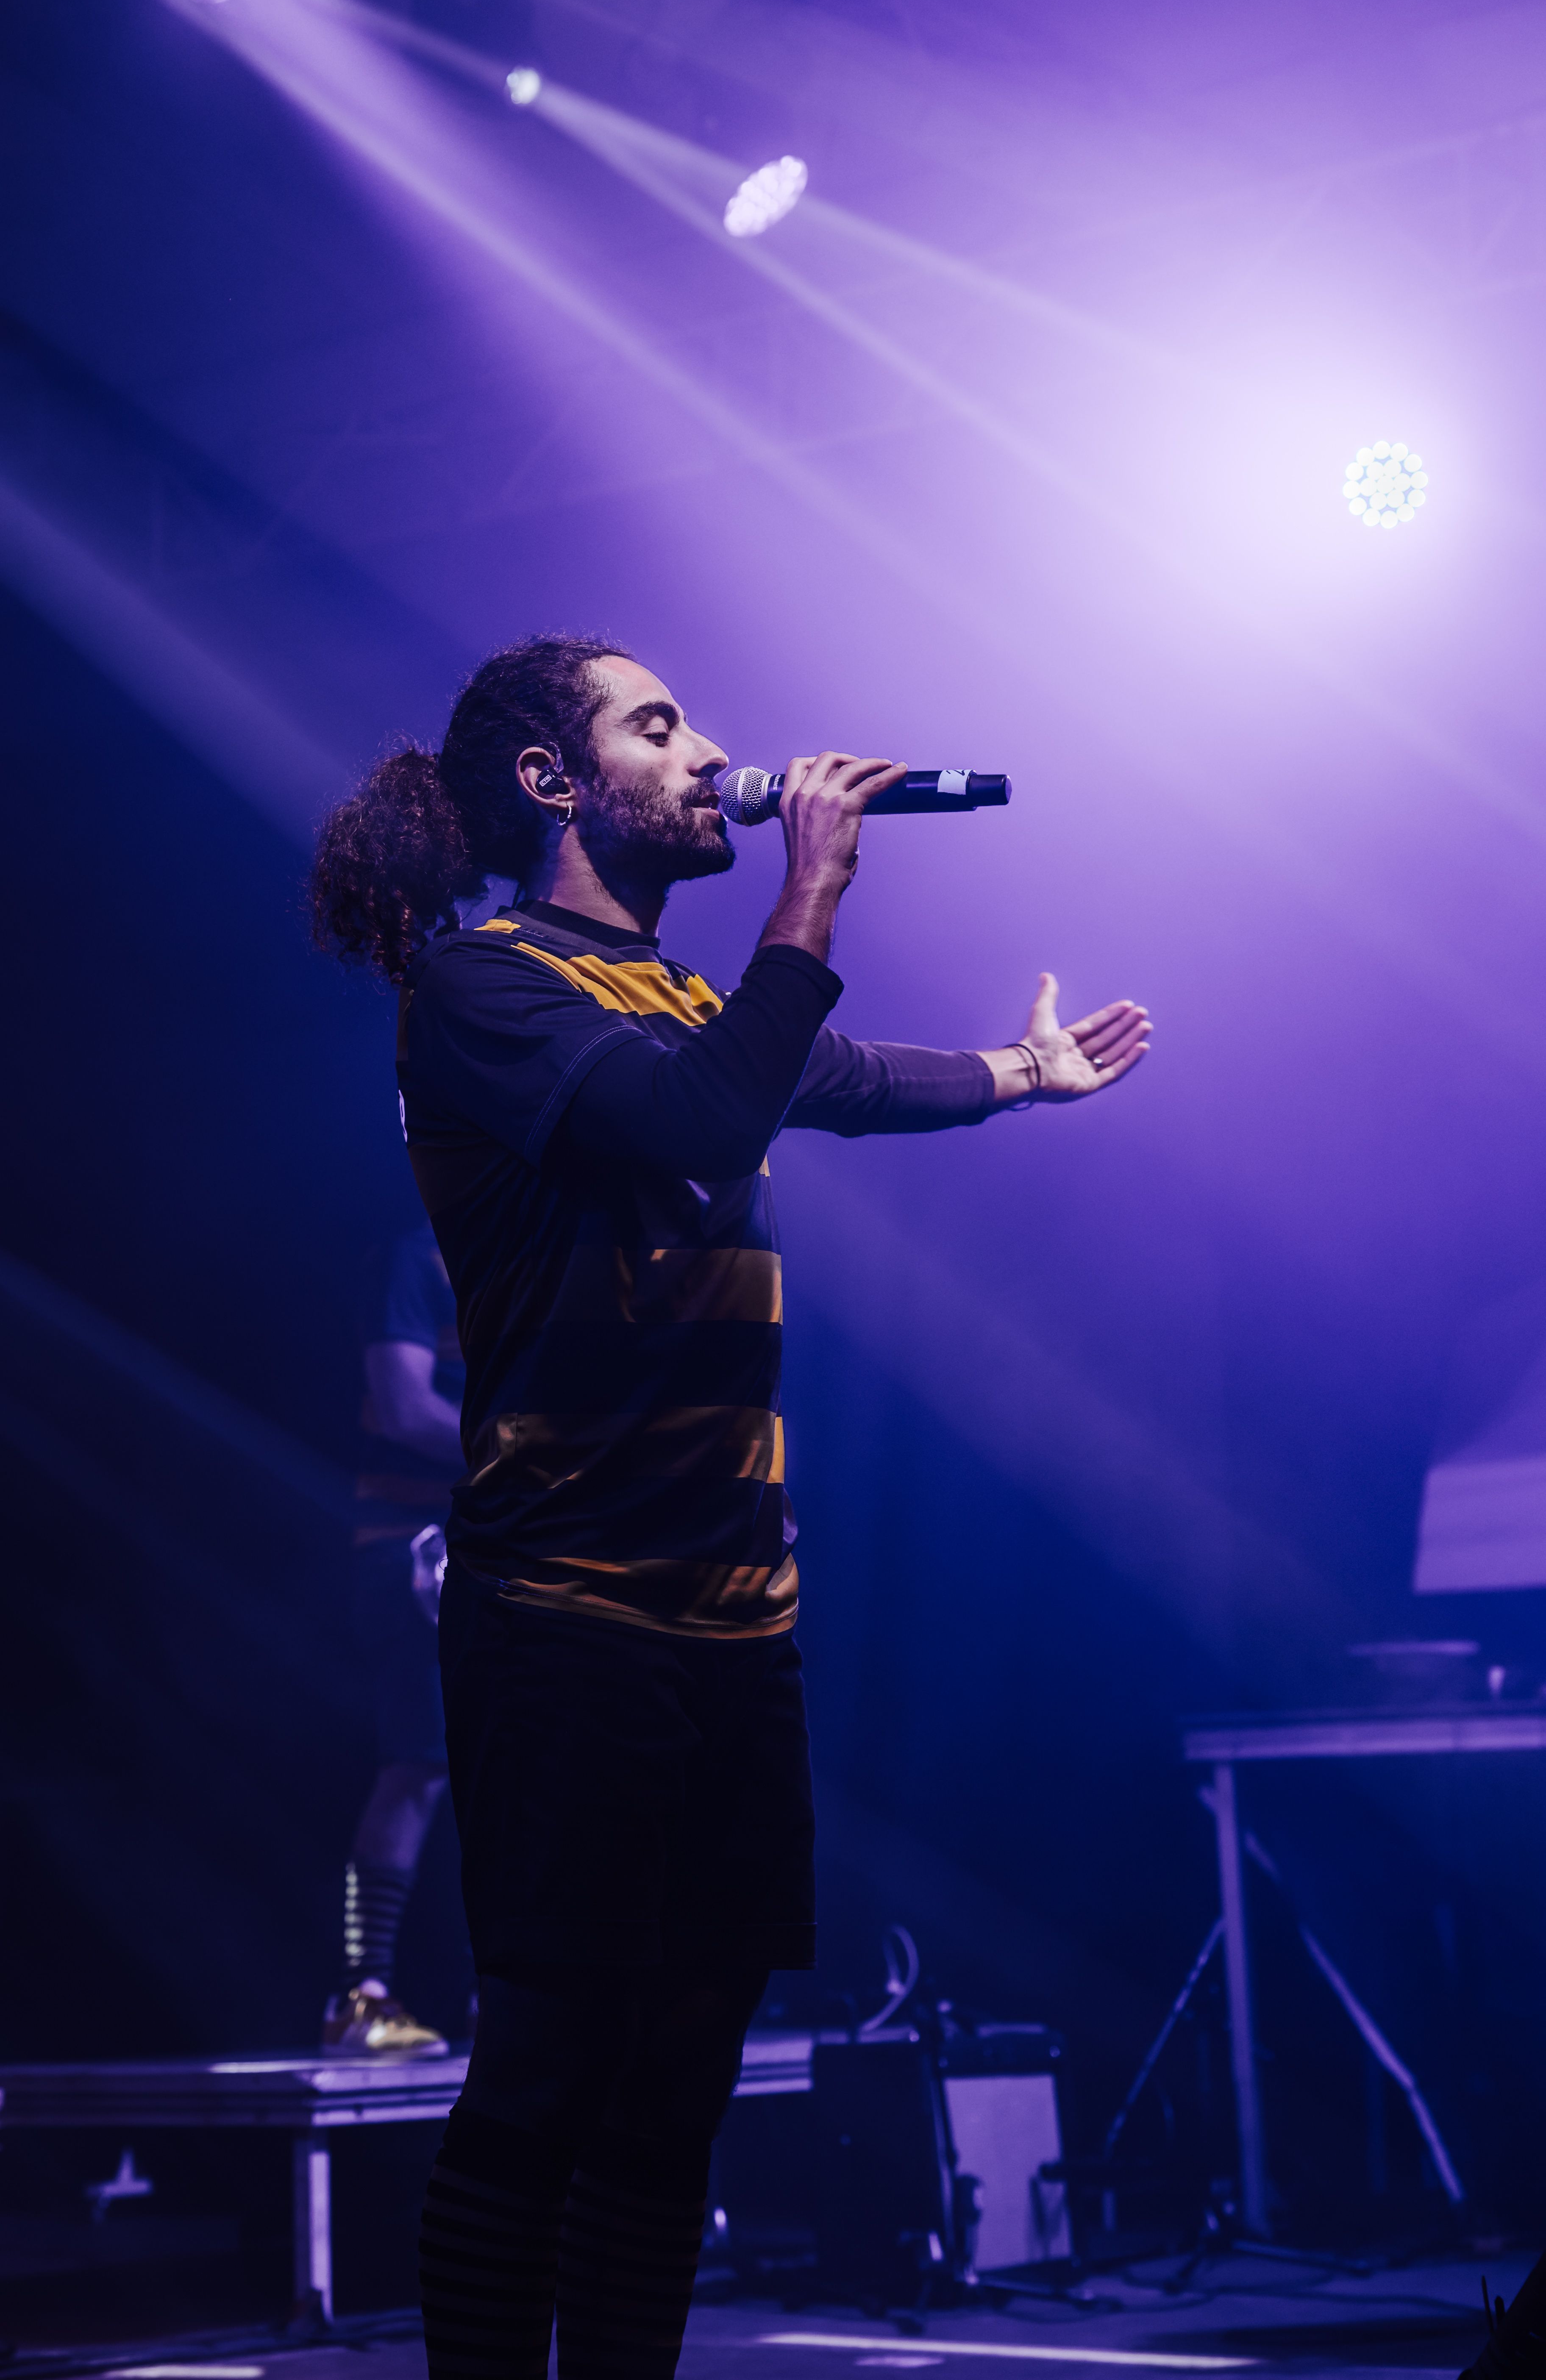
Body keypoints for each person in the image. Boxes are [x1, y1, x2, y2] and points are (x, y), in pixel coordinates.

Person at [309, 634, 1150, 2380]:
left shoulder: (687, 995)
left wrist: (1023, 1074)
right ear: (553, 780)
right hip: (568, 1614)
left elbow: (844, 1082)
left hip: (732, 1619)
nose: (711, 756)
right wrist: (811, 893)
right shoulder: (483, 989)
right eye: (658, 726)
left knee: (678, 2085)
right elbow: (695, 1121)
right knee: (547, 2071)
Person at [320, 1218, 464, 2057]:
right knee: (419, 1767)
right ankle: (358, 1996)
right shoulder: (415, 1259)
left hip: (514, 1552)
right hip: (417, 1552)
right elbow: (407, 1408)